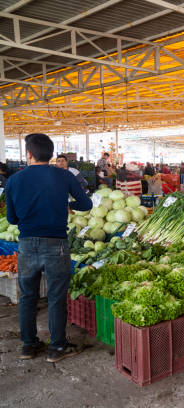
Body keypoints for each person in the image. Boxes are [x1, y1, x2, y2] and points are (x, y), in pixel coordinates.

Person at [6, 133, 92, 362]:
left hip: (26, 245)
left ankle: (28, 345)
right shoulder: (63, 176)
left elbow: (12, 219)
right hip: (56, 245)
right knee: (55, 297)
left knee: (28, 297)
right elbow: (86, 204)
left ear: (29, 154)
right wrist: (65, 204)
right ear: (52, 154)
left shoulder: (15, 180)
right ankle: (57, 348)